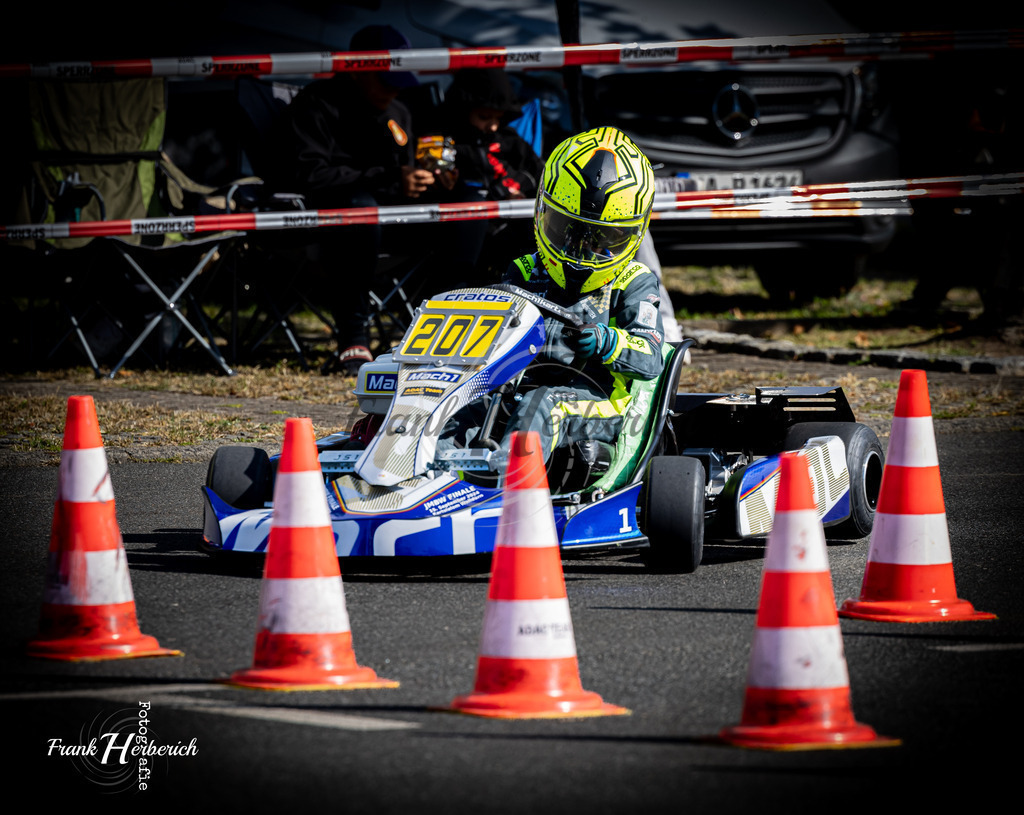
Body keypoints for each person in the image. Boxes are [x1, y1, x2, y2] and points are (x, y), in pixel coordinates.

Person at [267, 24, 437, 375]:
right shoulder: (317, 103)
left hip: (392, 222)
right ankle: (352, 337)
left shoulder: (399, 113)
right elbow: (309, 176)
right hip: (331, 226)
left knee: (469, 202)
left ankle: (448, 328)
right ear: (357, 70)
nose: (393, 90)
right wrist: (390, 179)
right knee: (359, 207)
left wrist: (430, 180)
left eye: (399, 82)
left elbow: (404, 174)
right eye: (386, 80)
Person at [495, 125, 666, 466]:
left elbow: (651, 357)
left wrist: (607, 341)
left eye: (600, 238)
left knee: (543, 405)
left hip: (601, 399)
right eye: (564, 229)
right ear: (544, 212)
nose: (578, 251)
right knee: (472, 403)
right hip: (521, 389)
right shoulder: (525, 272)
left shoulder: (633, 280)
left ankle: (505, 491)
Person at [432, 68, 545, 284]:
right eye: (484, 117)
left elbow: (540, 170)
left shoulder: (507, 138)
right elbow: (441, 172)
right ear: (465, 110)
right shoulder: (450, 141)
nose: (492, 125)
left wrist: (520, 190)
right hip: (472, 231)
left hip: (517, 223)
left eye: (498, 118)